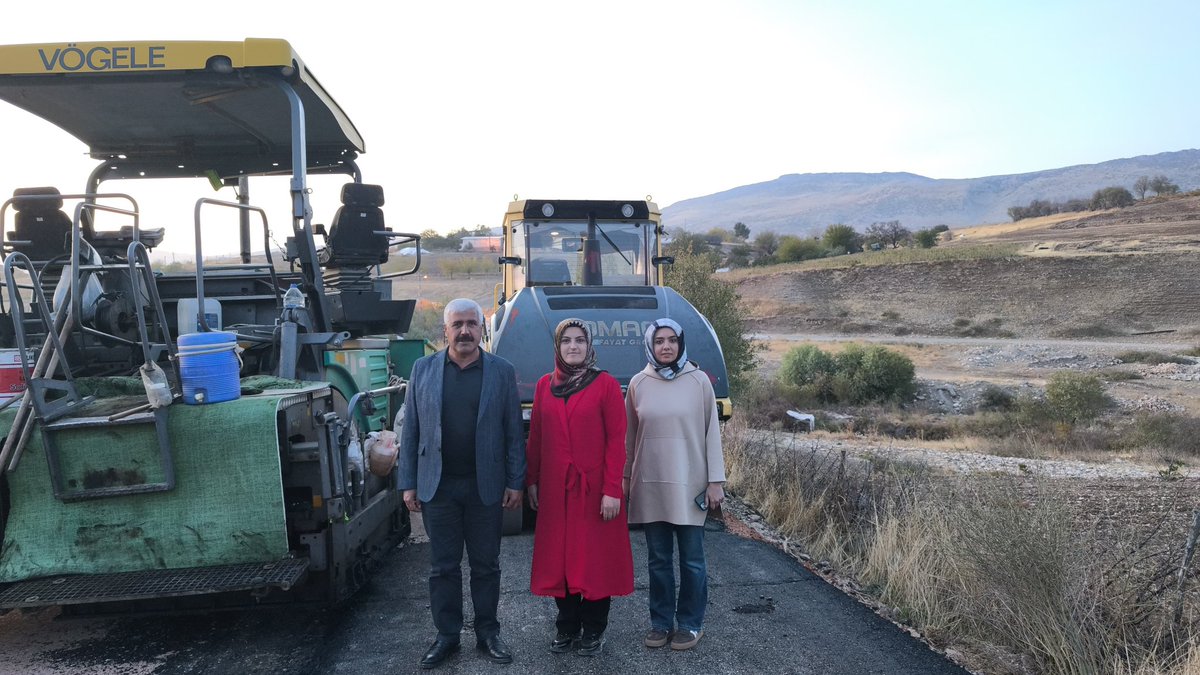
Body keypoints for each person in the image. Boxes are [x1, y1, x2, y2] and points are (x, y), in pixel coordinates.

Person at [399, 298, 526, 669]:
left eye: (472, 323)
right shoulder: (422, 370)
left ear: (482, 330)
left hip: (485, 486)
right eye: (458, 324)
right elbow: (411, 432)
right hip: (438, 487)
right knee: (443, 567)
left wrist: (516, 481)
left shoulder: (501, 372)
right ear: (446, 331)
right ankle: (447, 636)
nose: (466, 331)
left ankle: (488, 633)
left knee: (486, 565)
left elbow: (513, 433)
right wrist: (408, 483)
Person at [526, 319, 634, 657]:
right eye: (567, 341)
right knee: (560, 561)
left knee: (595, 562)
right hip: (557, 491)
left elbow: (617, 441)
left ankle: (594, 630)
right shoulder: (544, 386)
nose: (573, 346)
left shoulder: (605, 385)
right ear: (557, 347)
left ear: (590, 346)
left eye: (580, 340)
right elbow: (537, 438)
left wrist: (612, 490)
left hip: (595, 492)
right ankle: (567, 627)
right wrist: (532, 479)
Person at [624, 318, 725, 652]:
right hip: (651, 484)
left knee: (692, 561)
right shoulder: (638, 384)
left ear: (681, 344)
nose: (666, 347)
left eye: (672, 341)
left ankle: (691, 624)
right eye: (659, 341)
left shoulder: (698, 382)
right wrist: (625, 479)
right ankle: (660, 623)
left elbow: (713, 433)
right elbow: (629, 438)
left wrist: (715, 481)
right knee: (658, 561)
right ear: (650, 345)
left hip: (690, 485)